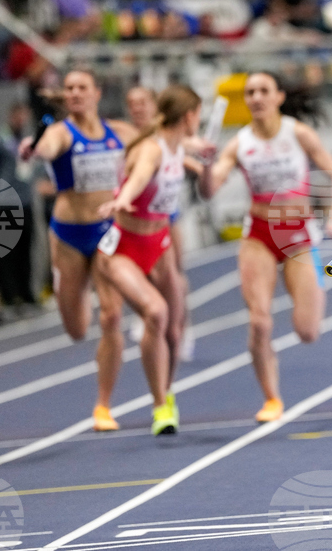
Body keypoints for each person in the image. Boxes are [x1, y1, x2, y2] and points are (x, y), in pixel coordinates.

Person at [200, 73, 332, 422]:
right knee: (259, 321)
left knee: (308, 331)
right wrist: (205, 167)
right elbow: (209, 190)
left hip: (298, 234)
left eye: (263, 91)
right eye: (250, 92)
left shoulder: (297, 133)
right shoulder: (239, 144)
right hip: (259, 235)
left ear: (279, 96)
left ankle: (307, 308)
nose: (256, 97)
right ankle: (271, 399)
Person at [20, 69, 137, 432]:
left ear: (97, 92)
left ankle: (103, 405)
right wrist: (33, 148)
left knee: (112, 317)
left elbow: (159, 144)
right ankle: (72, 290)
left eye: (81, 87)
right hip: (69, 235)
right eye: (69, 88)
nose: (74, 93)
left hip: (107, 233)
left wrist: (193, 151)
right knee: (76, 328)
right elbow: (44, 148)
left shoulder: (119, 132)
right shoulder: (59, 132)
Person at [95, 85, 206, 434]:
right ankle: (160, 406)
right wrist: (122, 198)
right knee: (155, 313)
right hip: (123, 248)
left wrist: (206, 156)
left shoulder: (176, 146)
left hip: (158, 244)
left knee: (174, 329)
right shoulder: (151, 150)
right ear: (189, 117)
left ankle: (166, 392)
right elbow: (141, 175)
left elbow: (189, 153)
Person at [124, 87, 198, 361]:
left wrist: (200, 160)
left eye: (142, 102)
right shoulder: (129, 134)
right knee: (143, 272)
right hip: (139, 214)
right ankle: (149, 314)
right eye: (132, 103)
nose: (137, 108)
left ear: (156, 106)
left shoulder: (169, 134)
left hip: (167, 214)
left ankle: (182, 326)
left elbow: (183, 146)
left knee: (175, 273)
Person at [0, 103, 37, 308]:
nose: (21, 120)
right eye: (18, 116)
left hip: (25, 200)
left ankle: (26, 293)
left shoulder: (26, 140)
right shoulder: (0, 140)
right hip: (6, 203)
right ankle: (9, 296)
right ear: (11, 116)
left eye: (24, 116)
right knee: (8, 251)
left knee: (27, 248)